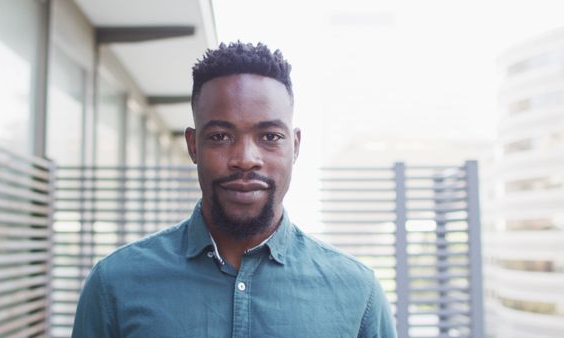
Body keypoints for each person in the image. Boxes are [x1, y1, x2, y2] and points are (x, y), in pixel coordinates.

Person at [72, 42, 396, 338]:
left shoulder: (358, 294)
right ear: (192, 145)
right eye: (220, 137)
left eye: (269, 137)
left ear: (294, 147)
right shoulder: (114, 285)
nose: (245, 159)